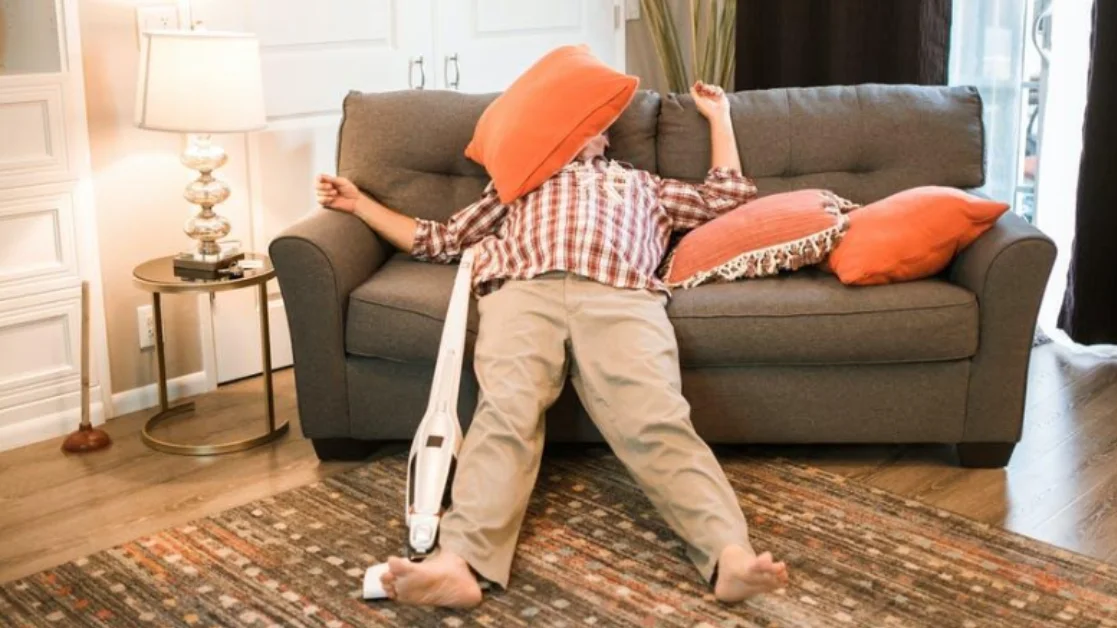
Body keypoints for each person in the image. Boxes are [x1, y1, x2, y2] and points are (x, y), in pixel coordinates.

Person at [315, 82, 788, 608]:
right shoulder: (519, 183)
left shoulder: (645, 185)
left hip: (620, 296)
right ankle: (458, 562)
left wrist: (718, 116)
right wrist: (360, 205)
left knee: (655, 417)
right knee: (505, 412)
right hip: (523, 291)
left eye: (586, 123)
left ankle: (729, 557)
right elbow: (441, 239)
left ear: (604, 140)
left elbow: (726, 199)